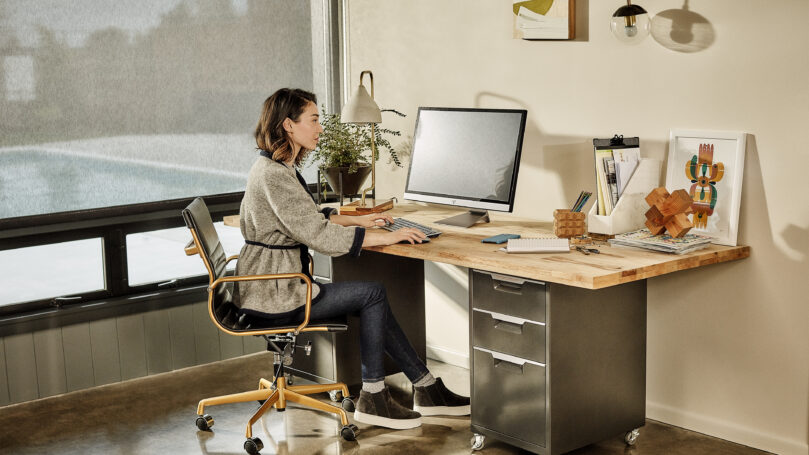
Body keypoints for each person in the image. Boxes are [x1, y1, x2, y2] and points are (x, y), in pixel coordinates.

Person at [235, 88, 469, 430]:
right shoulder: (274, 175)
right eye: (313, 120)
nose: (320, 128)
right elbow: (320, 237)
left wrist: (358, 219)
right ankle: (376, 398)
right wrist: (388, 236)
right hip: (276, 293)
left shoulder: (273, 168)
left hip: (272, 285)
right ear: (288, 125)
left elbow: (307, 217)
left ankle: (426, 387)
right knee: (372, 294)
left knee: (372, 297)